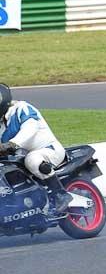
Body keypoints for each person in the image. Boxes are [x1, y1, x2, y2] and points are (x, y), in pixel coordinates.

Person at [0, 84, 71, 213]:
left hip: (48, 150)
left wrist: (12, 144)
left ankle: (60, 194)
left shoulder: (22, 108)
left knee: (32, 159)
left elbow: (30, 129)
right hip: (20, 157)